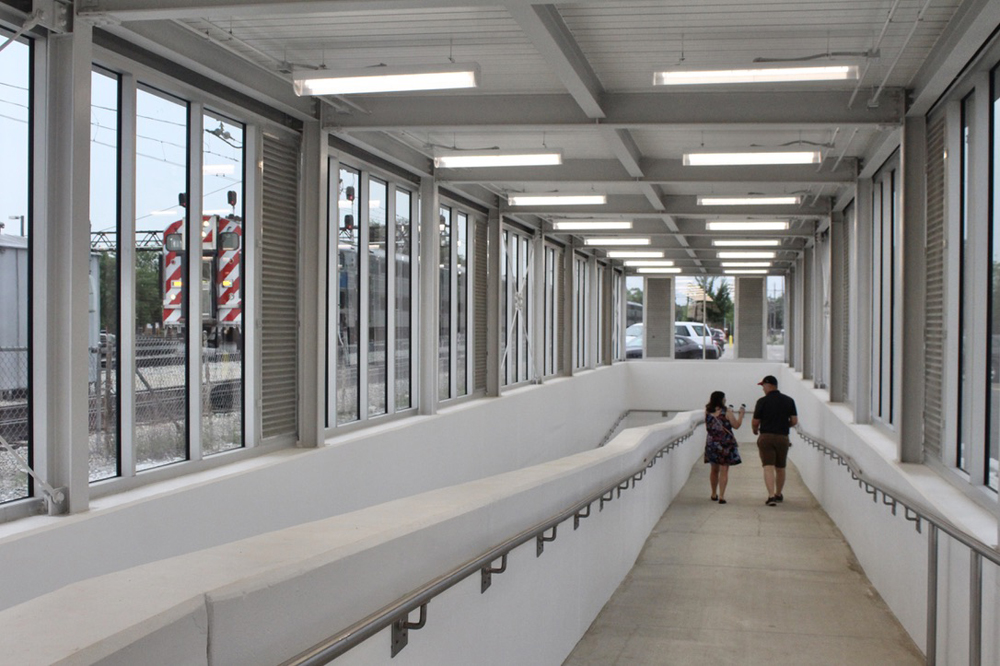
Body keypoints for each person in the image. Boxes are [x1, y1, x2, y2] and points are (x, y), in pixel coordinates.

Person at [751, 375, 798, 506]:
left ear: (768, 385)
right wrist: (784, 426)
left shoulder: (762, 401)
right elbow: (794, 421)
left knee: (768, 467)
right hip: (782, 437)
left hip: (766, 437)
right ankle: (778, 494)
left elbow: (755, 422)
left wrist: (755, 430)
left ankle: (771, 496)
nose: (762, 389)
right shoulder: (789, 400)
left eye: (763, 386)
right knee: (781, 467)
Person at [704, 391, 744, 504]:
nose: (725, 400)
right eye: (724, 398)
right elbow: (736, 425)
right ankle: (721, 496)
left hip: (711, 443)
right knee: (724, 470)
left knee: (714, 470)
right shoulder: (726, 412)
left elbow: (708, 427)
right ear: (721, 399)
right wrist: (741, 415)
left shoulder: (707, 411)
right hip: (725, 444)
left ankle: (713, 493)